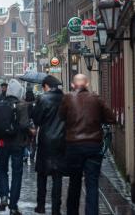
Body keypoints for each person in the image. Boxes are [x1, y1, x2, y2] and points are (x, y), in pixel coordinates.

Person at [58, 74, 116, 215]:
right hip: (92, 146)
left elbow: (61, 117)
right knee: (92, 184)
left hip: (74, 147)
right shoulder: (96, 98)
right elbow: (111, 118)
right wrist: (97, 120)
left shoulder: (67, 98)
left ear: (73, 85)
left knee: (74, 182)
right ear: (87, 84)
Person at [0, 79, 31, 215]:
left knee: (3, 170)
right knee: (17, 173)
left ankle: (4, 196)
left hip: (2, 143)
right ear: (19, 92)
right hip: (18, 144)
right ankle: (13, 205)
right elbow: (25, 125)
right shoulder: (22, 106)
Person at [32, 76, 65, 215]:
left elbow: (37, 119)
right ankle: (56, 208)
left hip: (46, 141)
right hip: (61, 141)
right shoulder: (65, 99)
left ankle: (41, 205)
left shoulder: (42, 99)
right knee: (58, 176)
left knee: (42, 174)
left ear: (46, 86)